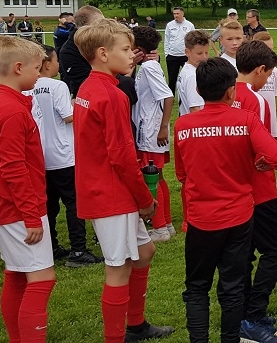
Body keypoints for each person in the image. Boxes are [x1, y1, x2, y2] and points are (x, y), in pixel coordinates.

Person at [174, 57, 277, 343]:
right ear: (231, 91)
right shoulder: (245, 120)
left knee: (197, 286)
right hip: (238, 217)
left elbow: (181, 173)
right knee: (233, 286)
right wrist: (261, 162)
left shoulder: (183, 124)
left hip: (201, 218)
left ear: (198, 91)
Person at [73, 19, 174, 343]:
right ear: (103, 54)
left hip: (103, 187)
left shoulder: (89, 87)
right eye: (127, 49)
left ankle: (137, 324)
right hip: (110, 193)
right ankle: (117, 336)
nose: (133, 55)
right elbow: (121, 156)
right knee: (117, 268)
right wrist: (144, 199)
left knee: (144, 252)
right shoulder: (111, 95)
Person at [0, 35, 56, 343]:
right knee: (42, 279)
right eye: (37, 68)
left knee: (16, 274)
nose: (40, 74)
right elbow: (13, 167)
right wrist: (31, 215)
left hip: (4, 203)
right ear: (17, 68)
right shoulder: (12, 111)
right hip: (18, 207)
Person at [232, 40, 277, 343]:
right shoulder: (256, 100)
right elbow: (265, 148)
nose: (268, 79)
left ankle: (242, 312)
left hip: (234, 187)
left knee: (244, 253)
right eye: (268, 74)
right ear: (259, 69)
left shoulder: (225, 92)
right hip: (259, 188)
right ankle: (253, 314)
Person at [28, 45, 102, 267]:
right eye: (56, 60)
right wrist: (79, 106)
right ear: (46, 64)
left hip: (41, 155)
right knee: (73, 202)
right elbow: (69, 117)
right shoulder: (57, 86)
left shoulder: (27, 87)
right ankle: (78, 250)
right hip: (63, 154)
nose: (59, 65)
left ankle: (50, 246)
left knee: (49, 204)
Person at [131, 26, 175, 243]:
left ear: (138, 47)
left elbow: (168, 96)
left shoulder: (149, 67)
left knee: (150, 178)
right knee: (158, 177)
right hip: (151, 129)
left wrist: (163, 126)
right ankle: (166, 224)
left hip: (151, 131)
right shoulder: (149, 65)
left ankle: (160, 228)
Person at [59, 5, 106, 96]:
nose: (103, 28)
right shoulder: (68, 52)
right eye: (99, 25)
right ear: (84, 28)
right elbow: (85, 82)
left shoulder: (104, 41)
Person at [252, 31, 277, 139]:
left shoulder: (275, 71)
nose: (269, 54)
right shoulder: (249, 71)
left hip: (271, 123)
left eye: (271, 50)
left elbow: (273, 96)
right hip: (255, 120)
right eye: (266, 50)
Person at [177, 30, 211, 116]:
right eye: (199, 53)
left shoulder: (187, 70)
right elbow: (195, 109)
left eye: (206, 52)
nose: (204, 57)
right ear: (187, 52)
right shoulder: (193, 76)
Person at [164, 7, 196, 93]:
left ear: (182, 14)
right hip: (172, 56)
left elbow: (194, 40)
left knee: (188, 77)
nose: (176, 16)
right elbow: (167, 40)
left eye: (177, 13)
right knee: (172, 79)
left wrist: (192, 54)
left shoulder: (189, 25)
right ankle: (171, 96)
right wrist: (167, 54)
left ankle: (188, 94)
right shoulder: (169, 25)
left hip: (186, 56)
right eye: (174, 14)